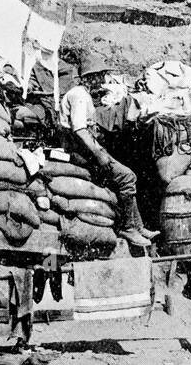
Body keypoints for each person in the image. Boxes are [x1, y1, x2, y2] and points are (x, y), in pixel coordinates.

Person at [60, 52, 157, 248]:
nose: (103, 79)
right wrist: (99, 154)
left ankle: (138, 225)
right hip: (80, 152)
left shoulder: (83, 94)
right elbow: (79, 130)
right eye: (100, 75)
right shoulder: (79, 95)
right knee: (127, 177)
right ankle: (128, 228)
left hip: (85, 149)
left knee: (127, 176)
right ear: (90, 77)